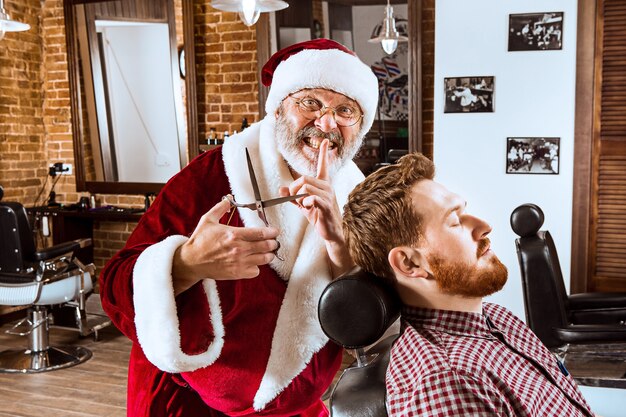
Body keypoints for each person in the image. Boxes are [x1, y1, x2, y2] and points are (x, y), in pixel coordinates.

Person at [99, 39, 378, 416]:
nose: (326, 124)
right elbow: (114, 286)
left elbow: (371, 312)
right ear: (278, 108)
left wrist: (336, 242)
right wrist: (186, 262)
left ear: (360, 126)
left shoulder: (359, 196)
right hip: (188, 403)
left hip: (297, 407)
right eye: (310, 103)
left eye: (345, 110)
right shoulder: (214, 173)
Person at [342, 153, 596, 417]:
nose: (484, 227)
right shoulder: (448, 382)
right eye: (454, 221)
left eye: (464, 211)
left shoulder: (497, 317)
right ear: (410, 263)